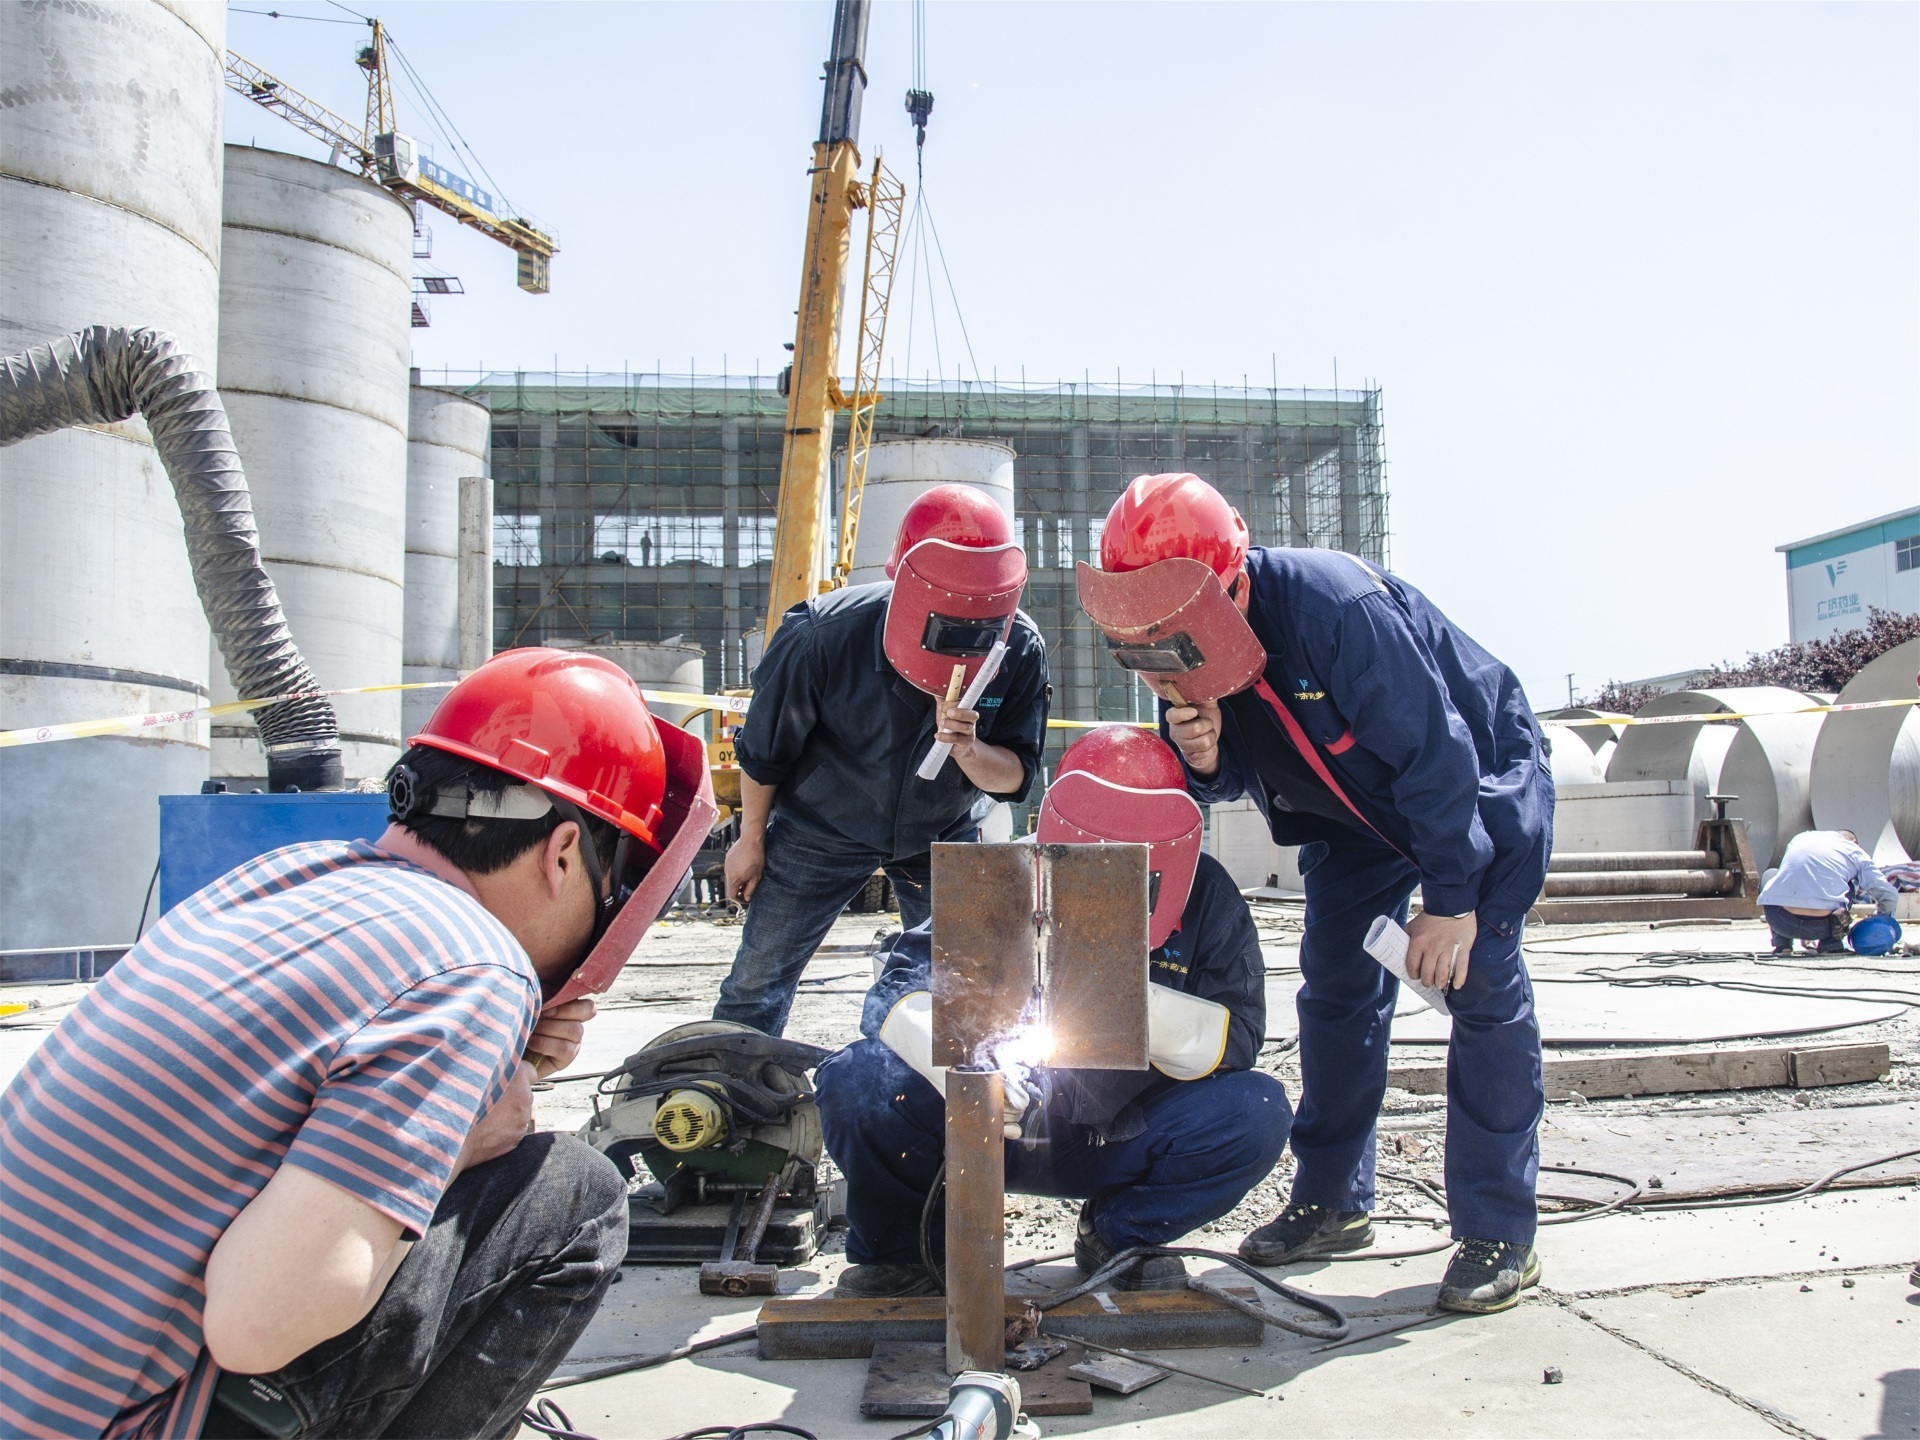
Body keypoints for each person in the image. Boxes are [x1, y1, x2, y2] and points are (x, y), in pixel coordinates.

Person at [0, 649, 713, 1438]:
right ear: (565, 854)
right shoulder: (473, 968)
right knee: (573, 1194)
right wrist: (461, 1141)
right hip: (123, 1423)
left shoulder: (281, 878)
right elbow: (257, 1326)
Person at [1077, 472, 1553, 1315]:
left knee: (1481, 995)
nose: (1160, 643)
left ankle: (1499, 1231)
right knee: (1336, 993)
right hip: (1350, 826)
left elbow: (1437, 757)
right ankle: (1333, 1198)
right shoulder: (1179, 640)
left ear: (1232, 578)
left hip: (1467, 796)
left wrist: (1450, 900)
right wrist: (1206, 753)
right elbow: (1224, 786)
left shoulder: (1337, 606)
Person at [813, 725, 1288, 1298]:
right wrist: (964, 1078)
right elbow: (899, 993)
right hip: (984, 1129)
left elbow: (1239, 1038)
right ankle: (904, 1252)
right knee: (858, 1079)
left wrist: (1134, 1007)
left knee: (1255, 1109)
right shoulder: (1004, 876)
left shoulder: (1207, 895)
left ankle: (1119, 1236)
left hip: (1118, 1135)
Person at [715, 484, 1050, 1037]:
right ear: (905, 583)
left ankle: (967, 1103)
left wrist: (967, 748)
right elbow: (766, 751)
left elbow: (1016, 775)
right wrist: (750, 840)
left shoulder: (1019, 648)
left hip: (943, 829)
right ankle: (725, 1091)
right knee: (757, 982)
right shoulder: (823, 634)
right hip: (822, 828)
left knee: (970, 985)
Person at [1757, 828, 1898, 955]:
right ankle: (1830, 945)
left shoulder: (1800, 838)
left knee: (1772, 875)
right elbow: (1888, 894)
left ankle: (1782, 945)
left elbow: (1793, 879)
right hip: (1824, 926)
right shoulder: (1854, 851)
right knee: (1848, 884)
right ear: (1854, 842)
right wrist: (1882, 925)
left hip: (1781, 922)